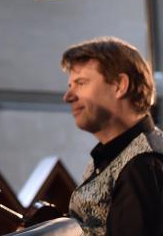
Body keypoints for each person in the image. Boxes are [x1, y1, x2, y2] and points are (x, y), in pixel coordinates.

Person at [62, 36, 163, 235]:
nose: (68, 97)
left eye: (81, 83)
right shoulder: (114, 154)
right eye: (70, 86)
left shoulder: (142, 164)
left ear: (119, 85)